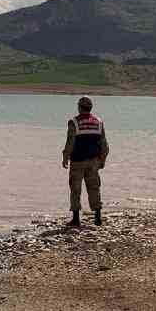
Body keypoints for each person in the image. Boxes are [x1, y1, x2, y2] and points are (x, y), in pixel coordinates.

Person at [61, 96, 109, 227]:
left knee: (75, 189)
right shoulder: (99, 122)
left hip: (77, 161)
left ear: (79, 107)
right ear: (90, 107)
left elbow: (70, 142)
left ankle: (76, 219)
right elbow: (104, 144)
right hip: (94, 161)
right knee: (94, 187)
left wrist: (65, 156)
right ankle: (98, 217)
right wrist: (103, 159)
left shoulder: (74, 122)